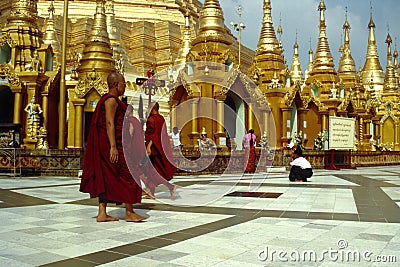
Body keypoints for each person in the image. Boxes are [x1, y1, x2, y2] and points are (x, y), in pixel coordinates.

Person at [80, 72, 146, 222]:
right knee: (130, 173)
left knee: (105, 176)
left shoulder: (112, 100)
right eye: (123, 83)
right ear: (116, 85)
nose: (124, 86)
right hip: (114, 144)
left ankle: (102, 213)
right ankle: (129, 212)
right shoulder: (111, 101)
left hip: (110, 143)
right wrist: (113, 147)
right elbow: (109, 123)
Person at [145, 102, 177, 199]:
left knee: (153, 171)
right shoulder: (161, 118)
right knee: (154, 170)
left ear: (152, 108)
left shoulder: (151, 119)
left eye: (148, 108)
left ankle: (170, 187)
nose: (147, 110)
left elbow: (152, 136)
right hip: (160, 147)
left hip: (154, 148)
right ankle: (152, 193)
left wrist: (148, 147)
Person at [123, 105, 154, 199]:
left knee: (137, 170)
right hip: (140, 148)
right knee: (140, 170)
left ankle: (149, 189)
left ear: (129, 111)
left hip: (133, 149)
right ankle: (147, 189)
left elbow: (130, 134)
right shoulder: (136, 120)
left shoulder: (130, 120)